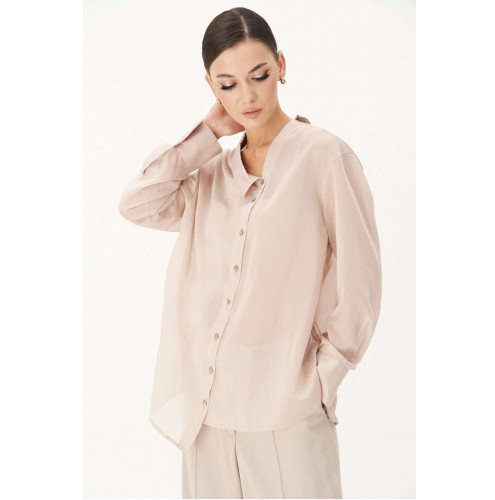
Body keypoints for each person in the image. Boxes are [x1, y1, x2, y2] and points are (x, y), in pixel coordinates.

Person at [118, 6, 382, 499]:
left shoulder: (324, 156)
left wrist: (321, 380)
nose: (247, 96)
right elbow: (138, 203)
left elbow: (361, 284)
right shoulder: (210, 176)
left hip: (288, 412)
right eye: (228, 84)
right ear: (211, 87)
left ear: (281, 65)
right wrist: (206, 136)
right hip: (208, 416)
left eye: (259, 75)